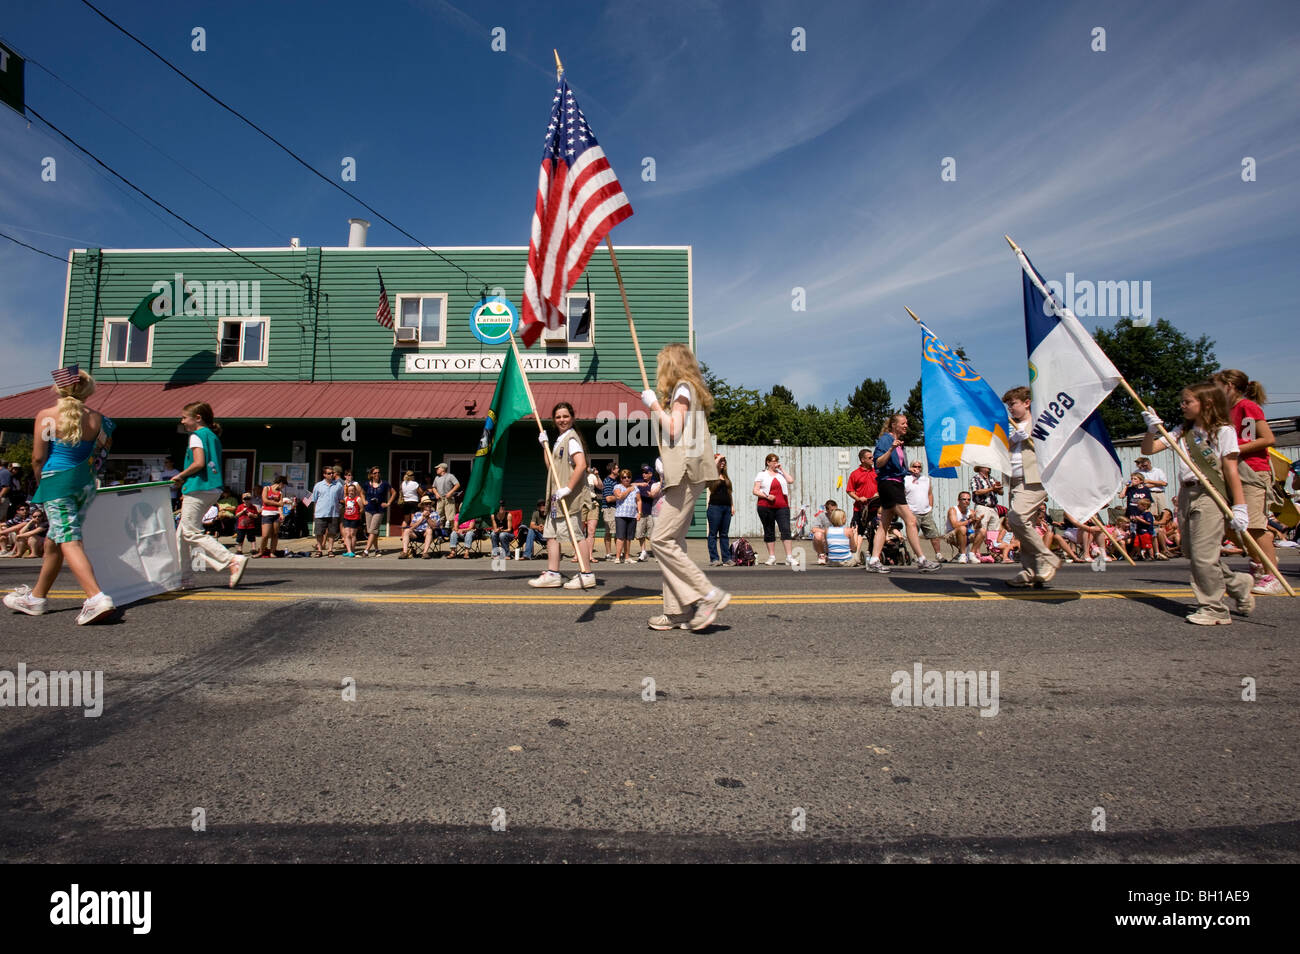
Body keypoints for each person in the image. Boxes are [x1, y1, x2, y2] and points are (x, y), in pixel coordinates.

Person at [1142, 383, 1254, 624]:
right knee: (1193, 553)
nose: (1182, 406)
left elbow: (1231, 470)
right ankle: (1237, 583)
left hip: (1211, 494)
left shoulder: (1223, 431)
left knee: (1204, 556)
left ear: (1207, 403)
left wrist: (1240, 506)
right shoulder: (1182, 431)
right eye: (1182, 401)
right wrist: (1152, 429)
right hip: (1186, 494)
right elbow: (1149, 449)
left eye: (1187, 402)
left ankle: (1214, 609)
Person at [640, 344, 731, 630]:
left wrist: (654, 405)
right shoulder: (689, 389)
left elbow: (673, 429)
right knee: (674, 543)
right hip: (687, 474)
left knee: (661, 540)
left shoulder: (681, 388)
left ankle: (708, 594)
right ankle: (677, 611)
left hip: (686, 474)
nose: (659, 370)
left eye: (662, 364)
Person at [1213, 369, 1282, 596]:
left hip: (1252, 471)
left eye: (1217, 386)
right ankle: (1259, 561)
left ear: (1230, 387)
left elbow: (1266, 439)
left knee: (1253, 526)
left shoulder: (1247, 407)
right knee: (1229, 525)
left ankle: (1272, 576)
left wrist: (1233, 448)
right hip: (1232, 471)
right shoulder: (1225, 411)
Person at [172, 401, 249, 589]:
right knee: (182, 535)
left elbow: (198, 463)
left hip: (198, 487)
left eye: (184, 417)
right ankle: (185, 578)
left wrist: (180, 476)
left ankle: (231, 559)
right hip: (212, 488)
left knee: (190, 531)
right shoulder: (212, 436)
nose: (182, 421)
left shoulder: (196, 435)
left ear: (197, 418)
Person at [528, 402, 597, 589]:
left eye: (565, 416)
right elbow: (551, 467)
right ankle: (552, 573)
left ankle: (587, 573)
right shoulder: (560, 439)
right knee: (550, 535)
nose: (562, 420)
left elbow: (581, 465)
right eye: (558, 417)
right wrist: (545, 446)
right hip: (555, 499)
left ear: (572, 418)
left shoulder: (572, 439)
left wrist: (568, 488)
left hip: (569, 498)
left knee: (576, 535)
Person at [864, 414, 940, 573]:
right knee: (911, 520)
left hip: (896, 483)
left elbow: (897, 468)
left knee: (884, 523)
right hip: (889, 484)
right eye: (903, 423)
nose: (906, 426)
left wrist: (908, 471)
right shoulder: (886, 440)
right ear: (893, 425)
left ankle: (874, 560)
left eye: (907, 423)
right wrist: (891, 448)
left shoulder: (900, 444)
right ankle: (921, 559)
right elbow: (878, 463)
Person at [1002, 386, 1061, 588]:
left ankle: (1046, 557)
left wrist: (1029, 435)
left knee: (1016, 517)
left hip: (1035, 479)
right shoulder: (1010, 426)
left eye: (1013, 404)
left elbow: (1053, 445)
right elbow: (1002, 449)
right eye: (1008, 406)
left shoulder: (1041, 422)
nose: (1011, 409)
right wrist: (1012, 439)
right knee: (1022, 526)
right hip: (1015, 480)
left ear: (1026, 403)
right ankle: (1029, 571)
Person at [753, 453, 795, 565]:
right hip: (765, 506)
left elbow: (790, 480)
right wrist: (767, 496)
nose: (776, 463)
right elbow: (755, 490)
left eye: (777, 460)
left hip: (782, 506)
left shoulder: (780, 473)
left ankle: (789, 557)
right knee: (769, 530)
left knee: (785, 529)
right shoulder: (762, 474)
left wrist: (782, 469)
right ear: (768, 462)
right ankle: (772, 557)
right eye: (773, 461)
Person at [904, 461, 945, 562]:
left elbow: (930, 493)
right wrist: (906, 510)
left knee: (934, 534)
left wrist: (930, 506)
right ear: (910, 467)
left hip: (926, 512)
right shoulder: (905, 479)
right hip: (912, 512)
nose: (917, 468)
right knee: (914, 535)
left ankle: (938, 554)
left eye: (919, 467)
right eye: (914, 466)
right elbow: (902, 494)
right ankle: (916, 555)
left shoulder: (926, 479)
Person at [306, 464, 345, 557]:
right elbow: (314, 500)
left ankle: (330, 550)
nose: (331, 475)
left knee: (332, 533)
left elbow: (341, 498)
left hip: (333, 513)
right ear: (324, 474)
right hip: (320, 513)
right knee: (319, 533)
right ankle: (319, 550)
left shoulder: (338, 485)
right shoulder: (318, 485)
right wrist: (315, 513)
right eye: (329, 473)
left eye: (332, 473)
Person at [705, 455, 735, 567]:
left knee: (724, 534)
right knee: (713, 534)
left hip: (726, 508)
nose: (722, 463)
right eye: (720, 461)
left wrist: (732, 506)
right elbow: (711, 467)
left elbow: (729, 493)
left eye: (724, 461)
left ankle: (726, 558)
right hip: (715, 508)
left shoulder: (725, 477)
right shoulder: (712, 475)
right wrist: (717, 459)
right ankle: (714, 559)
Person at [847, 448, 880, 539]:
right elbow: (850, 491)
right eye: (870, 458)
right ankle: (855, 552)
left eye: (872, 457)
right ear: (863, 460)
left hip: (875, 508)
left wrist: (878, 493)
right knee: (856, 534)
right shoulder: (855, 474)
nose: (872, 459)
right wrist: (858, 498)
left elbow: (882, 486)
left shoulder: (877, 472)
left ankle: (873, 552)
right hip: (860, 509)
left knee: (876, 534)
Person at [611, 468, 640, 563]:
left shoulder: (635, 488)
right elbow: (619, 496)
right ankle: (618, 557)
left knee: (629, 538)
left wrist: (639, 512)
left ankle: (627, 557)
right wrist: (628, 490)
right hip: (621, 515)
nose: (626, 479)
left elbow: (639, 500)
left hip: (632, 515)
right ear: (621, 478)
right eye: (624, 477)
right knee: (620, 537)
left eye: (628, 477)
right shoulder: (617, 486)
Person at [945, 492, 982, 563]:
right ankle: (963, 555)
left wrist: (978, 521)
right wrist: (969, 520)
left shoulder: (971, 511)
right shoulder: (953, 510)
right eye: (964, 499)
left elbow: (977, 527)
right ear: (959, 500)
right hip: (952, 534)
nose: (966, 501)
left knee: (982, 531)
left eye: (968, 499)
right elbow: (954, 525)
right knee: (962, 528)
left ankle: (972, 554)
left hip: (967, 533)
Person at [633, 463, 659, 562]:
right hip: (640, 512)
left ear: (651, 474)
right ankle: (643, 552)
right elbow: (630, 485)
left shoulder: (654, 483)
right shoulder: (638, 481)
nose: (644, 474)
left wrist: (647, 494)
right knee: (640, 533)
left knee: (651, 535)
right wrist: (640, 485)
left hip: (651, 512)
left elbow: (653, 495)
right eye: (643, 472)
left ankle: (656, 552)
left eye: (646, 473)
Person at [258, 474, 285, 558]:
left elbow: (281, 505)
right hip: (267, 513)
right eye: (283, 485)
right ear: (280, 483)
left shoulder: (280, 493)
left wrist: (281, 513)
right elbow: (265, 501)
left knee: (275, 534)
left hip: (276, 514)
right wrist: (277, 503)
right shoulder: (266, 488)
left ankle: (272, 551)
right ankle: (261, 551)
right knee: (265, 535)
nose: (283, 487)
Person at [431, 463, 460, 533]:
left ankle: (453, 534)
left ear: (443, 469)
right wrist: (436, 494)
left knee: (451, 517)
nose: (436, 470)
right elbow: (433, 487)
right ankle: (441, 534)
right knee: (439, 517)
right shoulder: (437, 477)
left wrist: (450, 492)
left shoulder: (450, 476)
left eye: (438, 468)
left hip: (449, 499)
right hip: (440, 499)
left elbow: (457, 484)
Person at [600, 461, 620, 560]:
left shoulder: (616, 481)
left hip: (615, 508)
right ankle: (608, 554)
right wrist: (621, 497)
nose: (618, 469)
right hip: (609, 509)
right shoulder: (608, 481)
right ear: (612, 470)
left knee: (616, 531)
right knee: (610, 532)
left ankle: (617, 552)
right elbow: (608, 498)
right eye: (617, 468)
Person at [811, 499, 839, 565]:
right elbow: (814, 529)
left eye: (835, 510)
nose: (834, 512)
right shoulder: (821, 516)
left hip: (835, 540)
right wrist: (827, 531)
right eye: (832, 510)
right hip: (824, 541)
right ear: (827, 510)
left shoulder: (838, 516)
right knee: (817, 535)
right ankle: (822, 555)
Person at [340, 483, 364, 556]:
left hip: (355, 518)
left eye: (352, 490)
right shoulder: (346, 498)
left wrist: (357, 514)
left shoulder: (358, 499)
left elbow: (362, 508)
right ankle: (349, 551)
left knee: (352, 534)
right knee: (347, 534)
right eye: (349, 490)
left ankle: (353, 550)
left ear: (355, 491)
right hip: (347, 518)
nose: (351, 492)